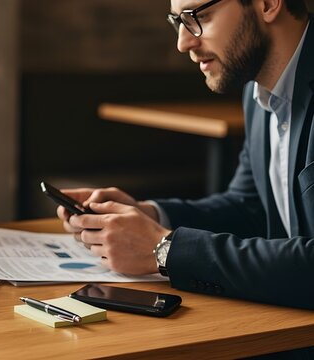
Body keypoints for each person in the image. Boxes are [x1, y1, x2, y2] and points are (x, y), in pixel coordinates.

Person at [57, 0, 314, 310]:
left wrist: (163, 249)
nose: (183, 42)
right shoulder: (258, 90)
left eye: (199, 15)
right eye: (177, 20)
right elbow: (250, 209)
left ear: (269, 4)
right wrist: (147, 216)